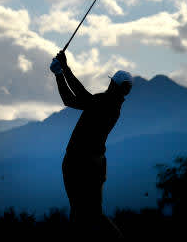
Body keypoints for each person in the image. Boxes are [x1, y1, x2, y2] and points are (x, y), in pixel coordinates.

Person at [50, 50, 132, 239]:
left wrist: (65, 69)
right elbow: (69, 100)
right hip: (86, 163)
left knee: (89, 214)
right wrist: (59, 75)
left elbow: (82, 95)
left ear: (113, 84)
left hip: (84, 164)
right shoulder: (105, 102)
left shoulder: (107, 104)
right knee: (82, 213)